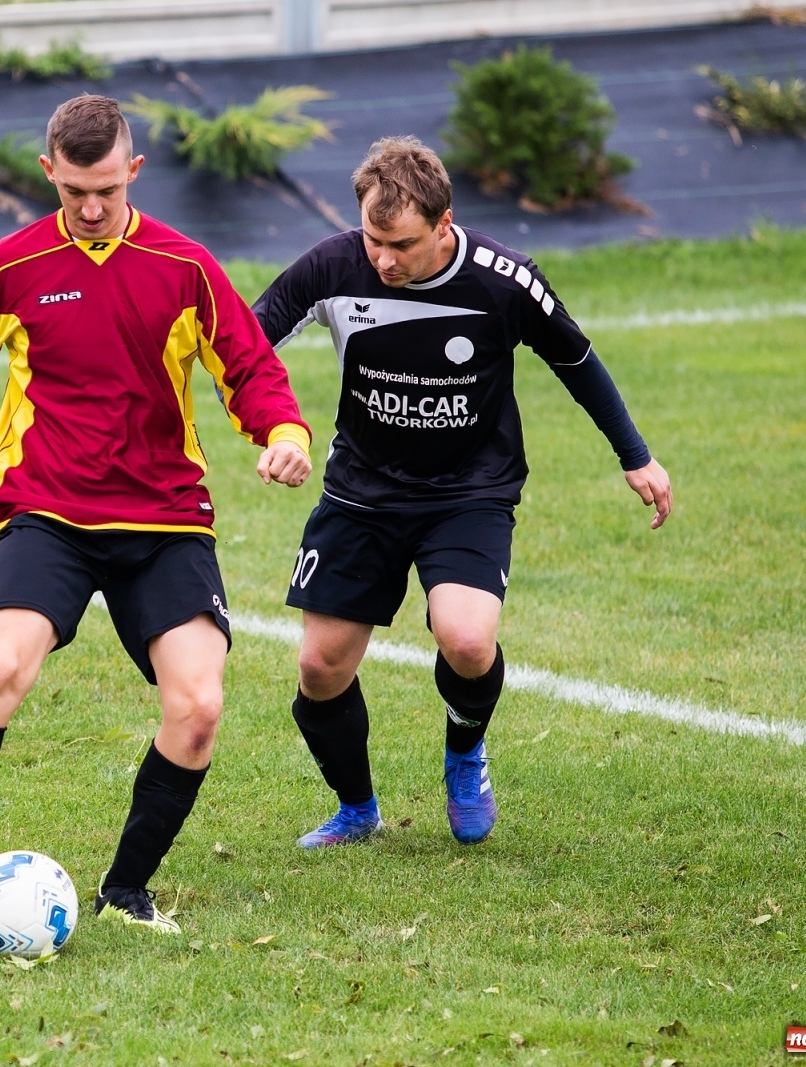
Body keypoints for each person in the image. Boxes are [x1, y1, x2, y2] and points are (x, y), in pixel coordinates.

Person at [0, 94, 313, 935]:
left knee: (199, 706)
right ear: (48, 173)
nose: (91, 208)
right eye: (73, 192)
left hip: (164, 518)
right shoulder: (10, 267)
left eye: (107, 190)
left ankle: (125, 891)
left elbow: (247, 366)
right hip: (49, 510)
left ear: (133, 171)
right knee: (0, 670)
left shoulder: (184, 267)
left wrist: (283, 432)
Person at [250, 136, 671, 849]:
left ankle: (465, 753)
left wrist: (635, 455)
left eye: (402, 244)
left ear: (444, 223)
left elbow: (576, 358)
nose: (384, 260)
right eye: (373, 239)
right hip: (362, 492)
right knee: (320, 668)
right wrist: (277, 432)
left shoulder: (504, 280)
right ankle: (357, 809)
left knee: (468, 640)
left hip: (469, 490)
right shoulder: (332, 265)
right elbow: (244, 347)